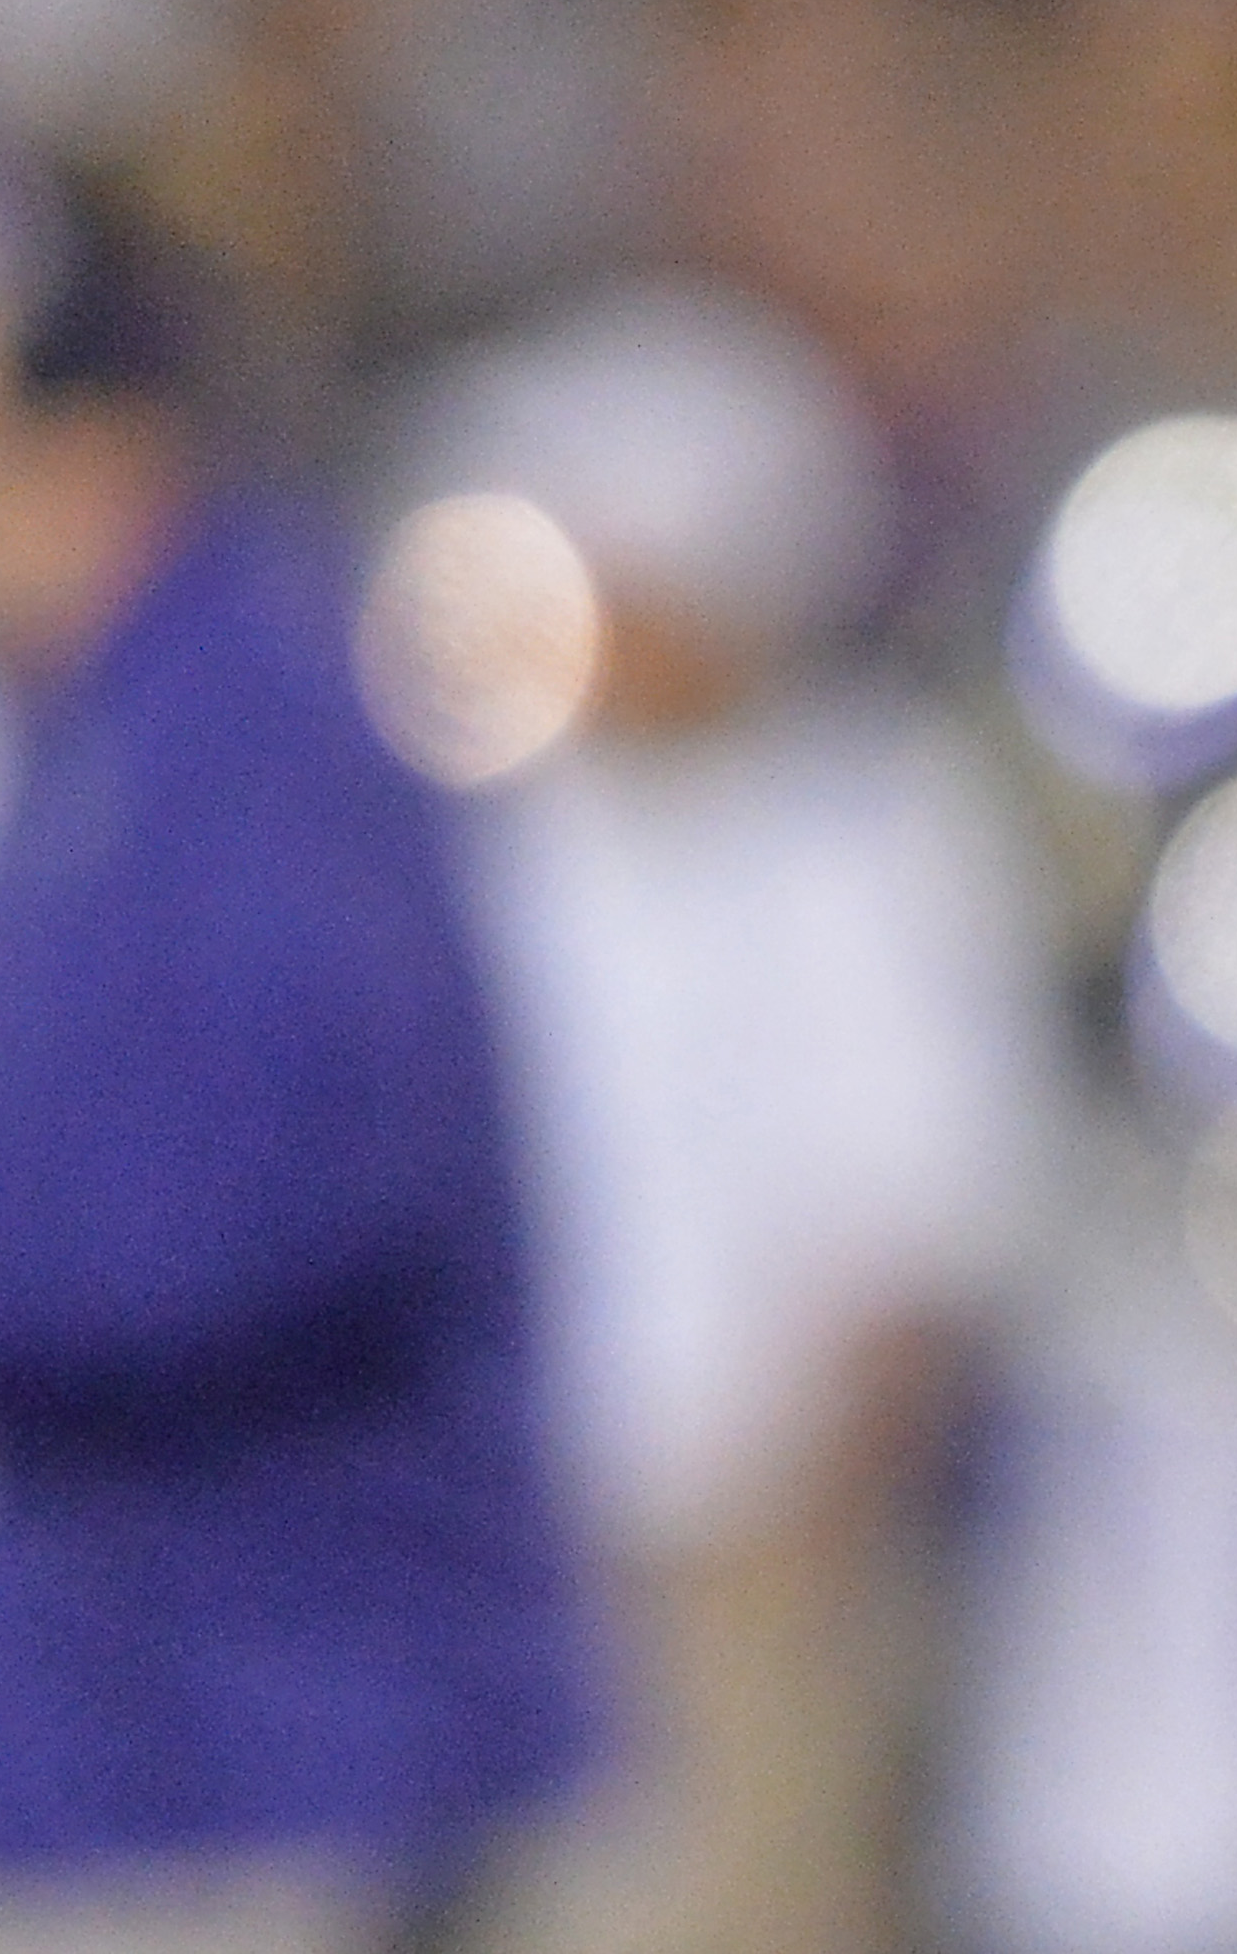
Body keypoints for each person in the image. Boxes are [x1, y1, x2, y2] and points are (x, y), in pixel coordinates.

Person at [0, 170, 593, 1954]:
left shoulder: (249, 726)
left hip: (270, 1718)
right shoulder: (91, 716)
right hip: (135, 1723)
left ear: (94, 449)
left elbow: (261, 1211)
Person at [392, 278, 1062, 1954]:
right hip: (488, 1553)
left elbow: (932, 1230)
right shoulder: (475, 836)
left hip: (739, 1560)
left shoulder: (872, 826)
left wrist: (802, 1576)